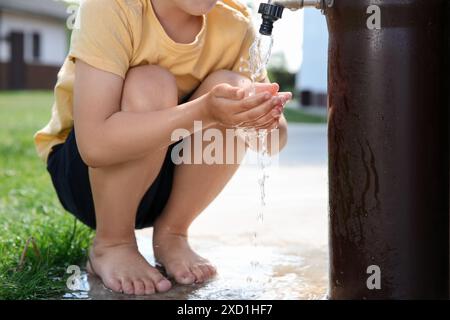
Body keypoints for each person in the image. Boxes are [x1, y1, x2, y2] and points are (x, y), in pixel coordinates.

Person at [34, 0, 290, 296]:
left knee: (233, 86)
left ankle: (173, 234)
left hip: (169, 186)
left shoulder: (235, 24)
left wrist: (259, 116)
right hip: (89, 180)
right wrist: (204, 112)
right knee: (150, 82)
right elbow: (94, 145)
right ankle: (112, 242)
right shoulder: (112, 8)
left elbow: (273, 143)